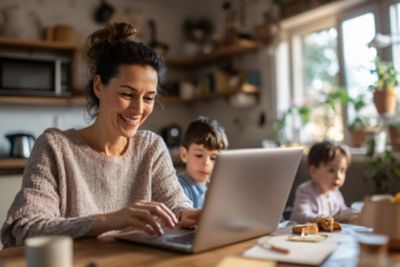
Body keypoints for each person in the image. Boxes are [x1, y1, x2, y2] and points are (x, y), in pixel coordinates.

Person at [1, 22, 199, 248]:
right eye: (127, 94)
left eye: (148, 98)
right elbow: (24, 228)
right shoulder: (55, 146)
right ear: (98, 86)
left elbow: (176, 206)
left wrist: (191, 214)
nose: (138, 109)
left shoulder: (151, 147)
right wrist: (109, 220)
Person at [290, 141, 359, 224]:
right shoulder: (305, 190)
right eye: (331, 170)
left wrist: (353, 214)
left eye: (342, 170)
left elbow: (343, 212)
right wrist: (329, 219)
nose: (338, 176)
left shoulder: (335, 193)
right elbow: (300, 216)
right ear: (313, 171)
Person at [177, 116, 228, 208]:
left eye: (213, 158)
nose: (206, 163)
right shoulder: (177, 187)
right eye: (199, 155)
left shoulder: (217, 188)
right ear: (184, 155)